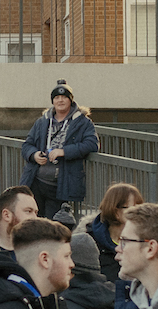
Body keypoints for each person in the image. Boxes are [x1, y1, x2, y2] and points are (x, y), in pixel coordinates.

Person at [21, 84, 100, 221]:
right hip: (35, 182)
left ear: (71, 100)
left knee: (54, 226)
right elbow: (27, 145)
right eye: (57, 97)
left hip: (60, 186)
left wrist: (64, 152)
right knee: (31, 223)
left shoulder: (83, 122)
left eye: (64, 97)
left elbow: (92, 144)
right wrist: (34, 155)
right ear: (52, 101)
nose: (60, 100)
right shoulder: (42, 121)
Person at [85, 182, 143, 282]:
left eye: (140, 208)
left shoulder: (144, 240)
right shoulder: (90, 241)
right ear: (116, 211)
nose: (138, 213)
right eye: (132, 208)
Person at [0, 184, 40, 250]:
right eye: (28, 211)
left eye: (36, 213)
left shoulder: (39, 253)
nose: (35, 218)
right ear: (6, 215)